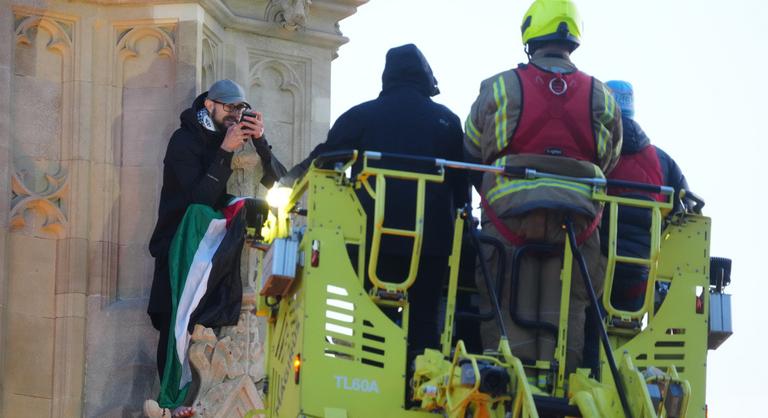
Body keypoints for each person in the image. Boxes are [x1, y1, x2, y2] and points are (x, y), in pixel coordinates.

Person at [463, 0, 622, 375]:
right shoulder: (603, 96)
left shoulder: (499, 86)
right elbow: (610, 160)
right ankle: (561, 381)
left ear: (530, 36)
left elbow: (470, 149)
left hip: (508, 219)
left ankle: (506, 378)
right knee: (568, 307)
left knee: (504, 299)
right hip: (578, 222)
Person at [284, 43, 470, 361]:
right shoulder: (448, 122)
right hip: (432, 242)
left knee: (367, 315)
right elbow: (462, 185)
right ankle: (420, 377)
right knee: (425, 319)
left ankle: (368, 372)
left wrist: (286, 184)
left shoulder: (361, 116)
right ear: (425, 77)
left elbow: (324, 162)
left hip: (371, 237)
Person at [147, 79, 286, 410]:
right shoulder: (184, 141)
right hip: (181, 253)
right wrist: (224, 151)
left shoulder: (245, 139)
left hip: (225, 258)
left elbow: (280, 183)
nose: (235, 115)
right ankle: (173, 401)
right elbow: (198, 201)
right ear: (209, 105)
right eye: (229, 108)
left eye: (241, 108)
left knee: (216, 325)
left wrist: (262, 141)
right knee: (177, 327)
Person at [601, 80, 689, 311]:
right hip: (642, 276)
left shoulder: (594, 153)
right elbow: (687, 214)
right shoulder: (664, 162)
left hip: (592, 268)